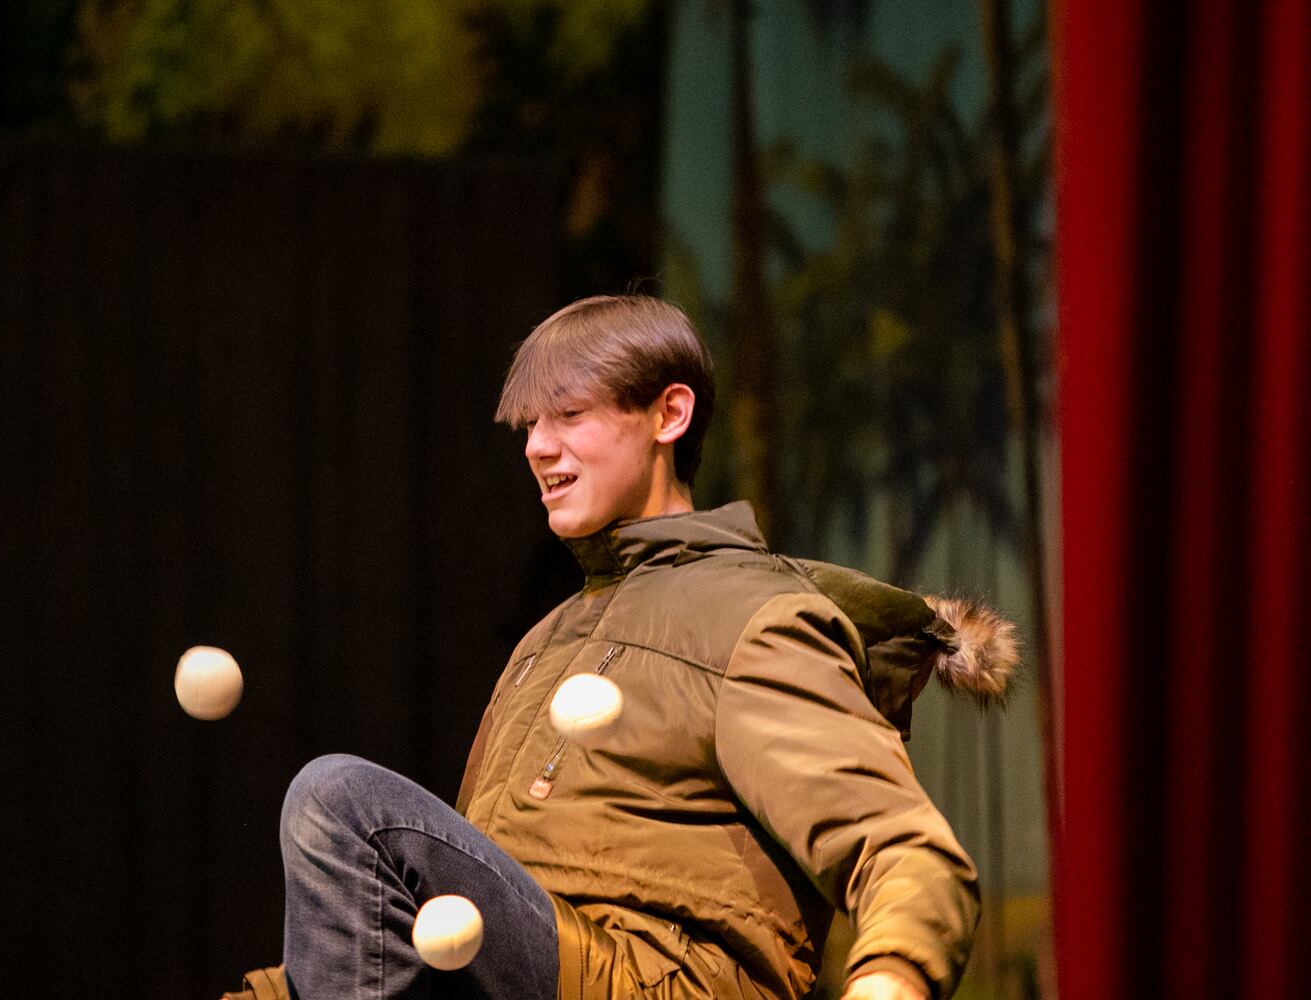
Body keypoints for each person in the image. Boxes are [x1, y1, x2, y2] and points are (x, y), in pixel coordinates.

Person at [223, 295, 1015, 1000]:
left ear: (669, 415)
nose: (536, 446)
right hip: (549, 962)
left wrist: (892, 976)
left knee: (340, 800)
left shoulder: (755, 617)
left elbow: (903, 849)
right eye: (529, 425)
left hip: (657, 977)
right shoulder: (545, 640)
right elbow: (452, 922)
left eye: (568, 415)